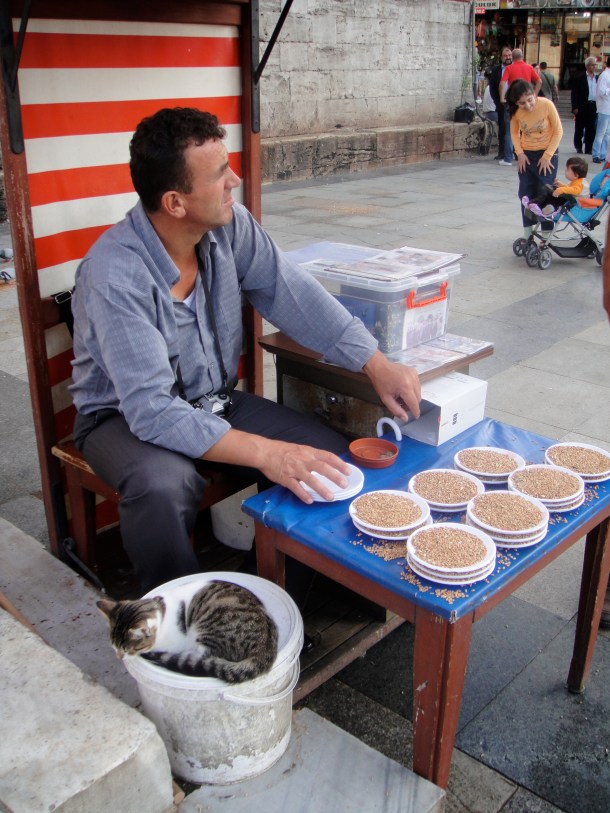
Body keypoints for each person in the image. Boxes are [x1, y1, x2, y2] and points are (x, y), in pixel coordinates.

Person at [69, 107, 421, 600]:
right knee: (164, 486)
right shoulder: (115, 275)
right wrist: (268, 454)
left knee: (326, 461)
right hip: (120, 419)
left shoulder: (230, 227)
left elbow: (291, 292)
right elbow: (151, 412)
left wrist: (374, 362)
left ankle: (268, 596)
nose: (235, 178)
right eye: (218, 174)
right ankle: (182, 621)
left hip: (212, 401)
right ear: (174, 202)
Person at [506, 79, 563, 239]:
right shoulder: (516, 112)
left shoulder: (546, 105)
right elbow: (514, 133)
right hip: (527, 155)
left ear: (534, 94)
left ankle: (546, 233)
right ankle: (528, 231)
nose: (528, 105)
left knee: (544, 192)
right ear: (516, 102)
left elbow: (558, 131)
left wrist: (547, 156)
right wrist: (520, 154)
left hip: (547, 154)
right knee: (525, 193)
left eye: (530, 100)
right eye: (522, 103)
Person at [499, 49, 542, 167]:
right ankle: (525, 155)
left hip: (514, 101)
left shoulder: (509, 68)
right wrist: (534, 96)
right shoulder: (529, 68)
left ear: (512, 57)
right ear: (522, 56)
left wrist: (502, 97)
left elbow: (502, 83)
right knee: (526, 129)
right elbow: (539, 81)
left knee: (510, 130)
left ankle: (508, 158)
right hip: (527, 101)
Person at [521, 155, 587, 220]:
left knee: (552, 197)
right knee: (550, 193)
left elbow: (575, 190)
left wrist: (561, 190)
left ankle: (544, 207)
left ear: (576, 175)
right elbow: (569, 188)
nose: (565, 170)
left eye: (567, 170)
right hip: (570, 199)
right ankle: (534, 204)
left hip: (572, 204)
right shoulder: (577, 181)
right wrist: (560, 184)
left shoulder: (579, 184)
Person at [488, 46, 513, 162]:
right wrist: (497, 101)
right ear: (501, 57)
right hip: (501, 104)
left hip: (515, 103)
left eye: (509, 56)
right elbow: (492, 87)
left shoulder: (515, 68)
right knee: (503, 129)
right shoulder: (497, 70)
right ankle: (502, 152)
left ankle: (516, 152)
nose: (508, 58)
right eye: (505, 56)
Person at [571, 57, 598, 155]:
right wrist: (575, 107)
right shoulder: (579, 78)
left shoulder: (597, 78)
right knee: (579, 128)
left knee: (591, 128)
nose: (594, 67)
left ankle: (588, 148)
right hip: (582, 106)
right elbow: (574, 94)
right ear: (587, 66)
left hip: (593, 106)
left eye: (595, 65)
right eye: (592, 64)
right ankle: (578, 146)